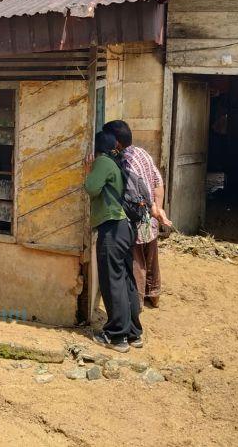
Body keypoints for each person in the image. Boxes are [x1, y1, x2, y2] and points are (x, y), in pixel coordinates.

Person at [103, 120, 172, 308]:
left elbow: (133, 195)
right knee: (151, 257)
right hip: (151, 218)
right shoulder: (142, 153)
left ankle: (137, 303)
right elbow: (158, 182)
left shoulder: (122, 163)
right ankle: (154, 294)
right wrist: (158, 209)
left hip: (137, 218)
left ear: (115, 142)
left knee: (136, 262)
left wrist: (151, 209)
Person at [85, 130, 142, 353]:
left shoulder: (103, 162)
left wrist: (89, 169)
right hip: (125, 227)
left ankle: (116, 336)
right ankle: (133, 332)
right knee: (126, 279)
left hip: (112, 227)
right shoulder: (117, 162)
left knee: (112, 281)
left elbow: (91, 188)